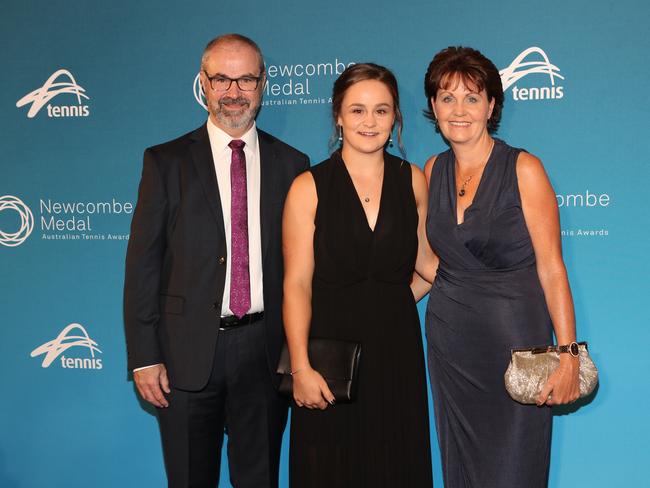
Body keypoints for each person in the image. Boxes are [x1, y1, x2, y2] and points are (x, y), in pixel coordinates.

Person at [123, 34, 309, 488]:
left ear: (263, 83)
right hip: (185, 354)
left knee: (259, 478)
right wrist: (144, 357)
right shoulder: (165, 162)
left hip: (264, 353)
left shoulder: (293, 164)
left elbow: (303, 267)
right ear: (203, 83)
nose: (233, 92)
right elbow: (143, 264)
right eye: (222, 79)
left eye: (245, 78)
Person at [422, 46, 581, 487]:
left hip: (516, 351)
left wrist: (567, 355)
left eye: (472, 98)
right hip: (451, 348)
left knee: (514, 471)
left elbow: (551, 268)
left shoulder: (523, 168)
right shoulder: (432, 170)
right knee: (462, 472)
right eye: (447, 97)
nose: (459, 110)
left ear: (491, 106)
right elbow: (429, 267)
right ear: (433, 106)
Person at [282, 63, 436, 487]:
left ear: (395, 118)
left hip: (396, 351)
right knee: (332, 468)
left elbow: (427, 266)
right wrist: (300, 367)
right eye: (357, 110)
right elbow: (296, 284)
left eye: (381, 111)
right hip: (329, 358)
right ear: (338, 116)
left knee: (395, 464)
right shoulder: (308, 187)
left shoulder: (413, 180)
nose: (370, 122)